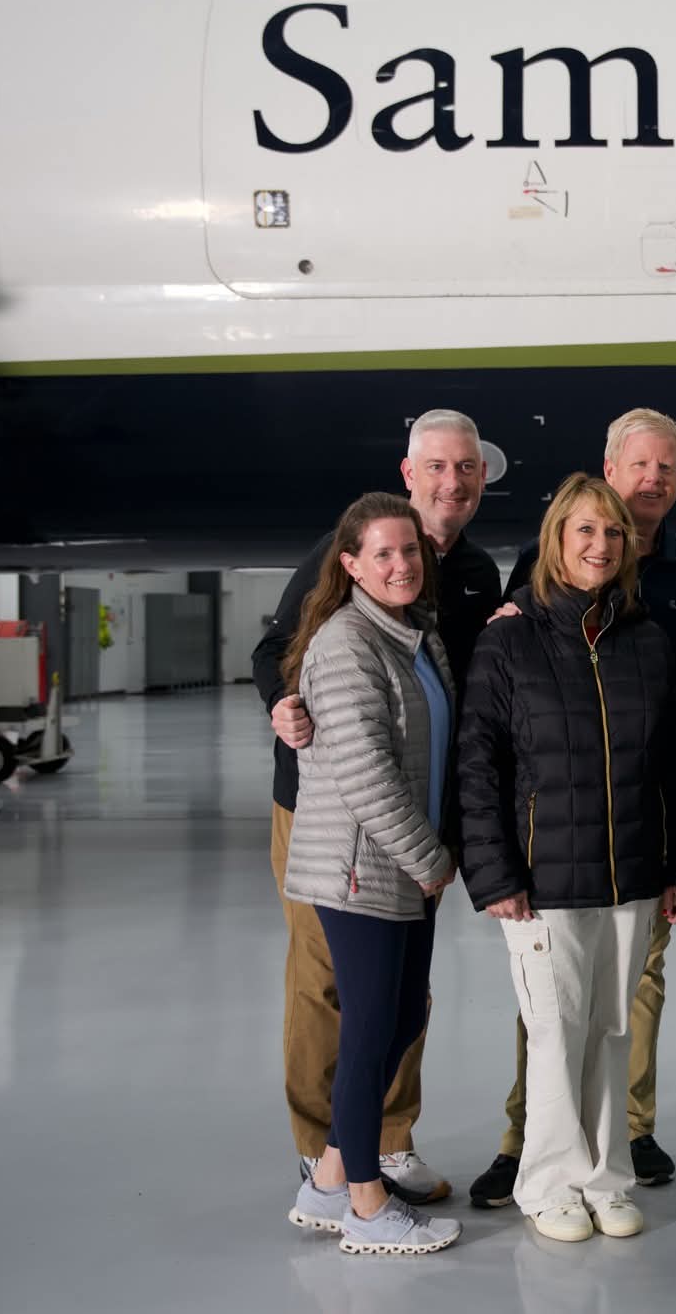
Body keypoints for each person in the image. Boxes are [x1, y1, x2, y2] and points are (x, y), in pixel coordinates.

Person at [252, 409, 502, 1204]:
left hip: (418, 809)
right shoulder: (351, 555)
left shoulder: (473, 574)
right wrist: (282, 705)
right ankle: (319, 1148)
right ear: (408, 473)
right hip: (329, 808)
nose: (451, 482)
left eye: (465, 468)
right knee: (329, 983)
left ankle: (384, 1139)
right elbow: (274, 650)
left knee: (401, 991)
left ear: (482, 479)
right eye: (436, 467)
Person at [467, 409, 676, 1207]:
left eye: (666, 469)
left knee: (623, 1010)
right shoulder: (519, 622)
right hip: (550, 860)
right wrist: (498, 868)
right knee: (550, 1015)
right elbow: (488, 750)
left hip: (635, 849)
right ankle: (533, 1155)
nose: (652, 481)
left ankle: (620, 1148)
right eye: (639, 465)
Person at [279, 493, 462, 1256]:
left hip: (401, 868)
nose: (400, 564)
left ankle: (325, 1180)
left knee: (402, 1017)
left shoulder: (415, 634)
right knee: (368, 1032)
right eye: (382, 553)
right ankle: (364, 1203)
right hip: (363, 870)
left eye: (410, 551)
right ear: (349, 563)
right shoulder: (347, 640)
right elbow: (363, 771)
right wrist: (431, 858)